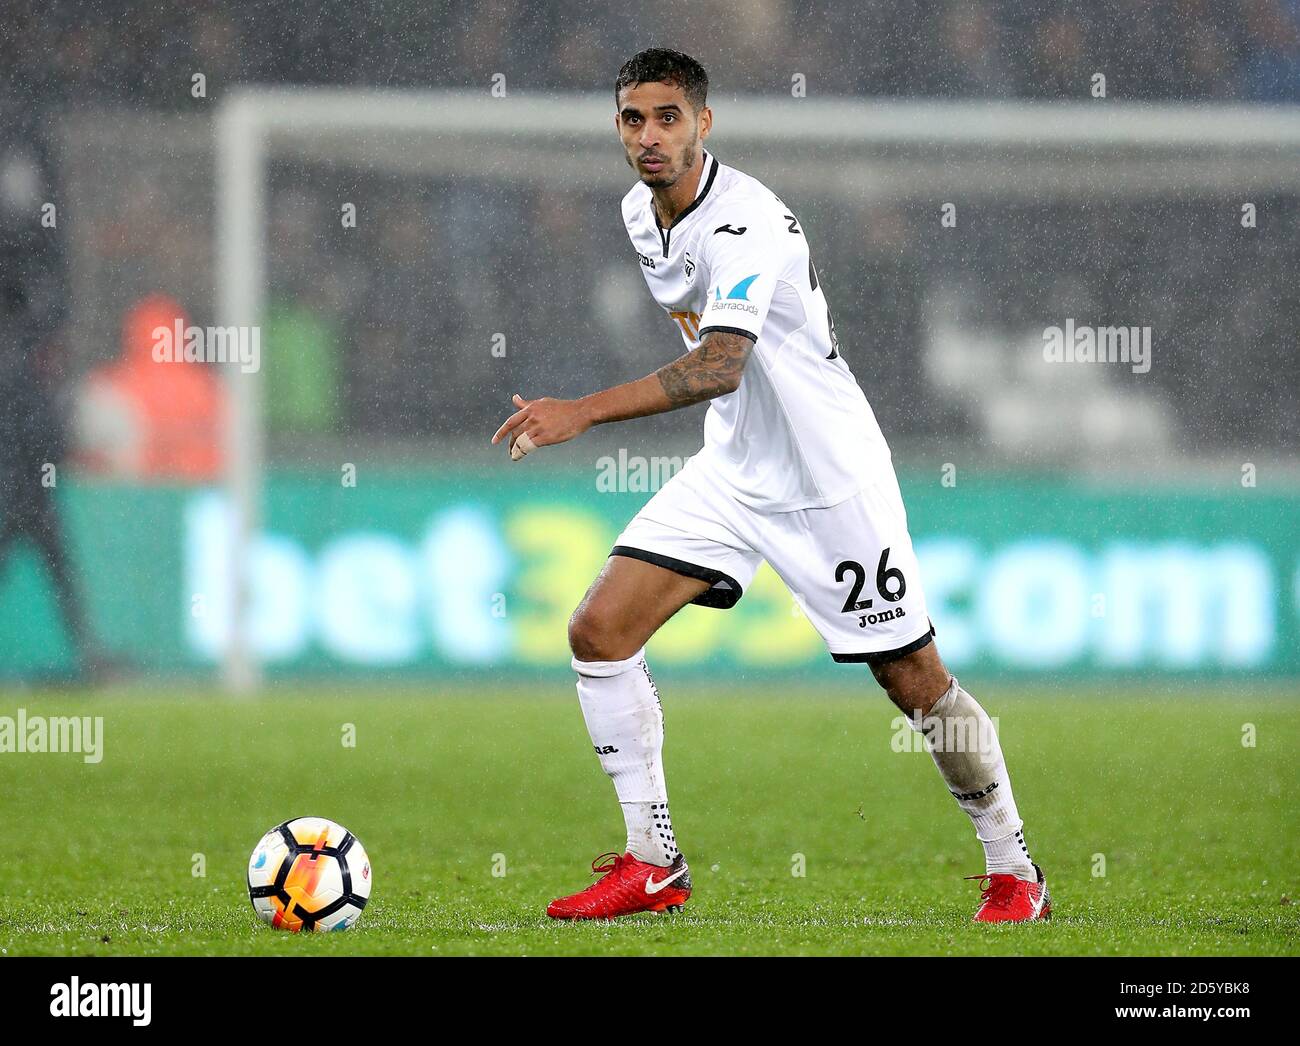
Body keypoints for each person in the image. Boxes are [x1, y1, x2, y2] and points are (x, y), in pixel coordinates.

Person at [492, 48, 1049, 923]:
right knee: (599, 629)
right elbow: (720, 379)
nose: (650, 136)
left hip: (828, 478)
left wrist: (583, 413)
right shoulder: (640, 213)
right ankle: (653, 863)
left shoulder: (749, 222)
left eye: (668, 117)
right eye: (633, 119)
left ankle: (1015, 867)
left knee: (915, 680)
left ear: (703, 124)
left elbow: (719, 364)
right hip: (735, 467)